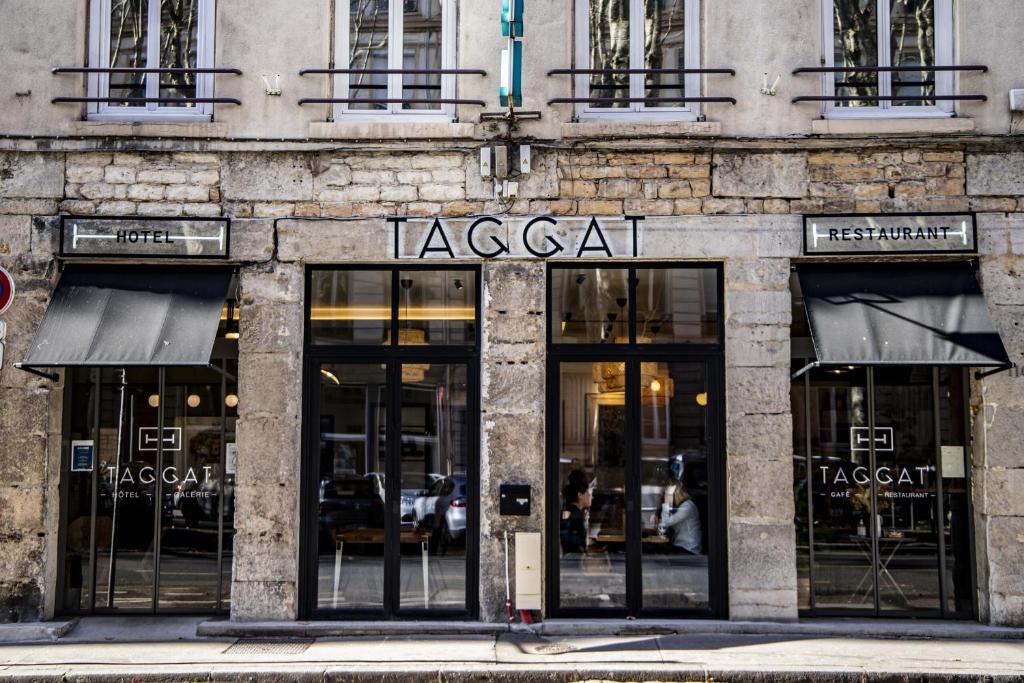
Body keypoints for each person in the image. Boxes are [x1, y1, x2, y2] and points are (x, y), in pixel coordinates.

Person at [661, 454, 702, 555]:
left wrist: (666, 502)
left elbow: (665, 523)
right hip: (681, 546)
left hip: (689, 548)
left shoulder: (687, 507)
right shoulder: (682, 506)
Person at [560, 477, 591, 554]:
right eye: (587, 494)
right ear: (580, 495)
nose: (590, 497)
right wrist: (584, 542)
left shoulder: (570, 510)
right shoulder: (574, 514)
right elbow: (565, 533)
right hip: (573, 556)